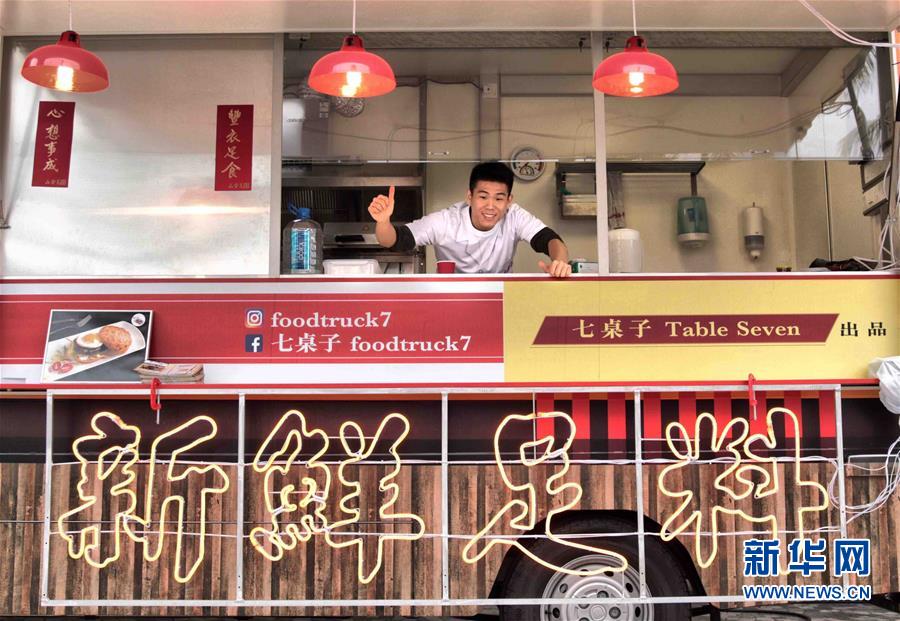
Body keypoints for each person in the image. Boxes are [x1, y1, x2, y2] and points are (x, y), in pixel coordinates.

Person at [367, 161, 572, 277]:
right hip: (453, 299)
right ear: (469, 196)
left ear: (509, 200)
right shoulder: (446, 221)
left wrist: (560, 262)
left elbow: (550, 240)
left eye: (499, 198)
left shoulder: (514, 216)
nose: (490, 206)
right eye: (483, 197)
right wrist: (383, 221)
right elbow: (393, 240)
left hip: (500, 298)